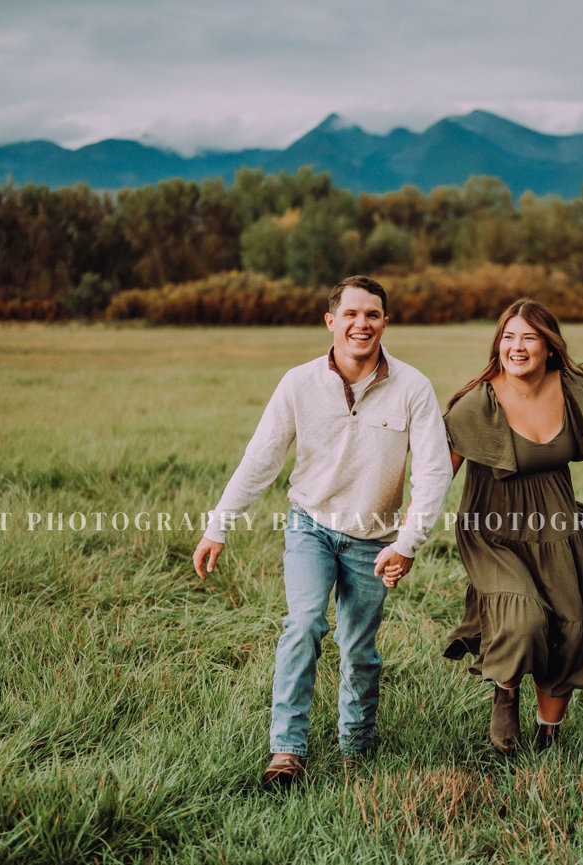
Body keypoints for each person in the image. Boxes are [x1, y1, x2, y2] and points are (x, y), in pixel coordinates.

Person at [192, 275, 452, 787]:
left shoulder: (413, 387)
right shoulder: (299, 383)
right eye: (351, 314)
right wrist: (218, 526)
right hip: (309, 524)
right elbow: (261, 459)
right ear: (331, 321)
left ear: (385, 322)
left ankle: (356, 747)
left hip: (374, 541)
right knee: (305, 623)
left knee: (358, 647)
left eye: (372, 314)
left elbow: (434, 472)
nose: (362, 324)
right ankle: (286, 751)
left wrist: (406, 544)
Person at [442, 298, 583, 754]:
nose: (517, 346)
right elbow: (438, 475)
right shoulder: (477, 405)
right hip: (491, 531)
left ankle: (546, 739)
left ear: (549, 346)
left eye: (529, 337)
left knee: (568, 631)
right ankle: (505, 691)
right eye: (508, 337)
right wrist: (404, 534)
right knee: (524, 620)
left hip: (556, 527)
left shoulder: (574, 391)